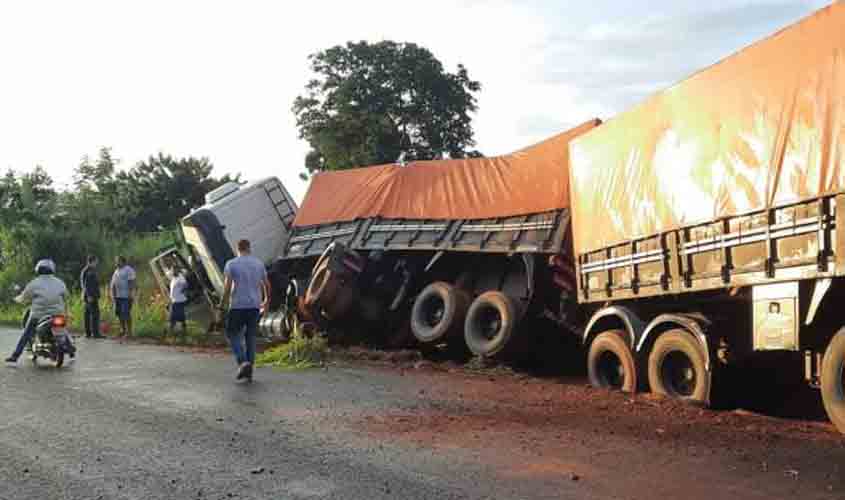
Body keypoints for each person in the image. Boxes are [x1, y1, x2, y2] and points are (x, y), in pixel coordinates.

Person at [5, 259, 74, 363]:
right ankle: (71, 350)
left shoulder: (34, 283)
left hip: (39, 314)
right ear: (52, 269)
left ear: (39, 270)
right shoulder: (60, 282)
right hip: (57, 313)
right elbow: (66, 296)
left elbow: (24, 297)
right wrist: (66, 311)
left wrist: (16, 299)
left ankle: (15, 356)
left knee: (27, 333)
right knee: (63, 329)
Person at [220, 239, 270, 382]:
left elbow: (228, 287)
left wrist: (222, 305)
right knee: (250, 338)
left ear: (238, 249)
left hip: (237, 306)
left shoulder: (231, 264)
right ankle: (249, 372)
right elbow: (266, 284)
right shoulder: (259, 264)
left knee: (232, 333)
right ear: (249, 248)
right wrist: (266, 301)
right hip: (254, 306)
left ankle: (243, 362)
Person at [109, 256, 136, 337]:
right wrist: (112, 295)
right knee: (119, 313)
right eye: (116, 261)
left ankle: (129, 332)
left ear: (123, 261)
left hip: (126, 296)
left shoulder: (128, 269)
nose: (116, 262)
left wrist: (130, 294)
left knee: (126, 313)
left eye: (118, 261)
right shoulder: (116, 271)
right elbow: (113, 284)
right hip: (117, 296)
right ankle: (123, 330)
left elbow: (131, 282)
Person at [80, 255, 102, 338]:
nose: (97, 263)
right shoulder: (89, 271)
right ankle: (95, 333)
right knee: (95, 314)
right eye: (96, 261)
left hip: (88, 295)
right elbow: (88, 285)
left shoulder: (87, 270)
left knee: (87, 314)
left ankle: (88, 333)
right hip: (91, 296)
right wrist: (89, 296)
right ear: (92, 261)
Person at [167, 267, 189, 336]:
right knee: (181, 316)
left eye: (174, 270)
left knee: (173, 317)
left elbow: (186, 285)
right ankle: (183, 331)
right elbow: (167, 273)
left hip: (178, 300)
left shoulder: (180, 278)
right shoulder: (173, 277)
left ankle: (171, 332)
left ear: (177, 271)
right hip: (175, 300)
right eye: (172, 270)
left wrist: (182, 290)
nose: (173, 272)